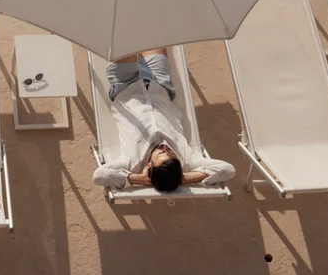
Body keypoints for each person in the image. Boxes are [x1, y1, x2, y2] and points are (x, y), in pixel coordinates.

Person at [92, 49, 235, 193]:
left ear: (149, 167)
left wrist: (138, 179)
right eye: (171, 154)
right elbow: (228, 169)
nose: (165, 149)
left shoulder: (131, 161)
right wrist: (184, 178)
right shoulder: (188, 160)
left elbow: (99, 175)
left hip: (125, 85)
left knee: (123, 38)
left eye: (161, 154)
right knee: (153, 35)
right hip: (159, 83)